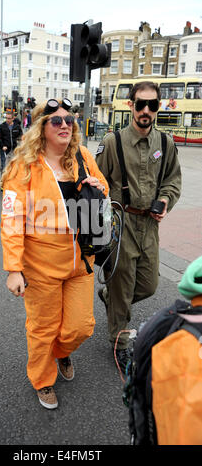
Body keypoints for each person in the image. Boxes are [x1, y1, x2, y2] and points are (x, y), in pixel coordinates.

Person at [0, 98, 109, 410]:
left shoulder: (83, 156)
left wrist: (98, 188)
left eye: (69, 120)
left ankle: (61, 351)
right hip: (41, 267)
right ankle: (43, 379)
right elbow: (11, 221)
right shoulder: (23, 167)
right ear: (40, 128)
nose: (65, 125)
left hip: (81, 261)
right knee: (43, 327)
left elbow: (103, 190)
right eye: (56, 121)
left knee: (81, 326)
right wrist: (13, 268)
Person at [96, 81, 182, 373]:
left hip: (149, 224)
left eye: (153, 105)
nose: (147, 110)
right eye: (141, 104)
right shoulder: (112, 142)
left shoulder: (166, 143)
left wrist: (165, 199)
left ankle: (110, 298)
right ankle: (119, 344)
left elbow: (172, 179)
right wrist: (100, 225)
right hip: (121, 223)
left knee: (148, 284)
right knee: (122, 285)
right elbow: (97, 183)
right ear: (130, 105)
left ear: (158, 107)